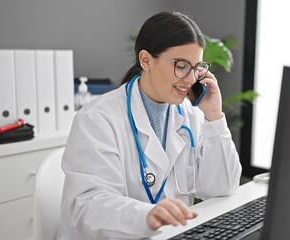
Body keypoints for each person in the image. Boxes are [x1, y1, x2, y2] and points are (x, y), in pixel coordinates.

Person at [57, 11, 242, 240]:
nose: (191, 78)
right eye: (181, 65)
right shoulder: (97, 120)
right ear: (146, 60)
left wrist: (214, 116)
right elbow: (87, 206)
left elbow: (222, 187)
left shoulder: (190, 115)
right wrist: (146, 216)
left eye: (196, 67)